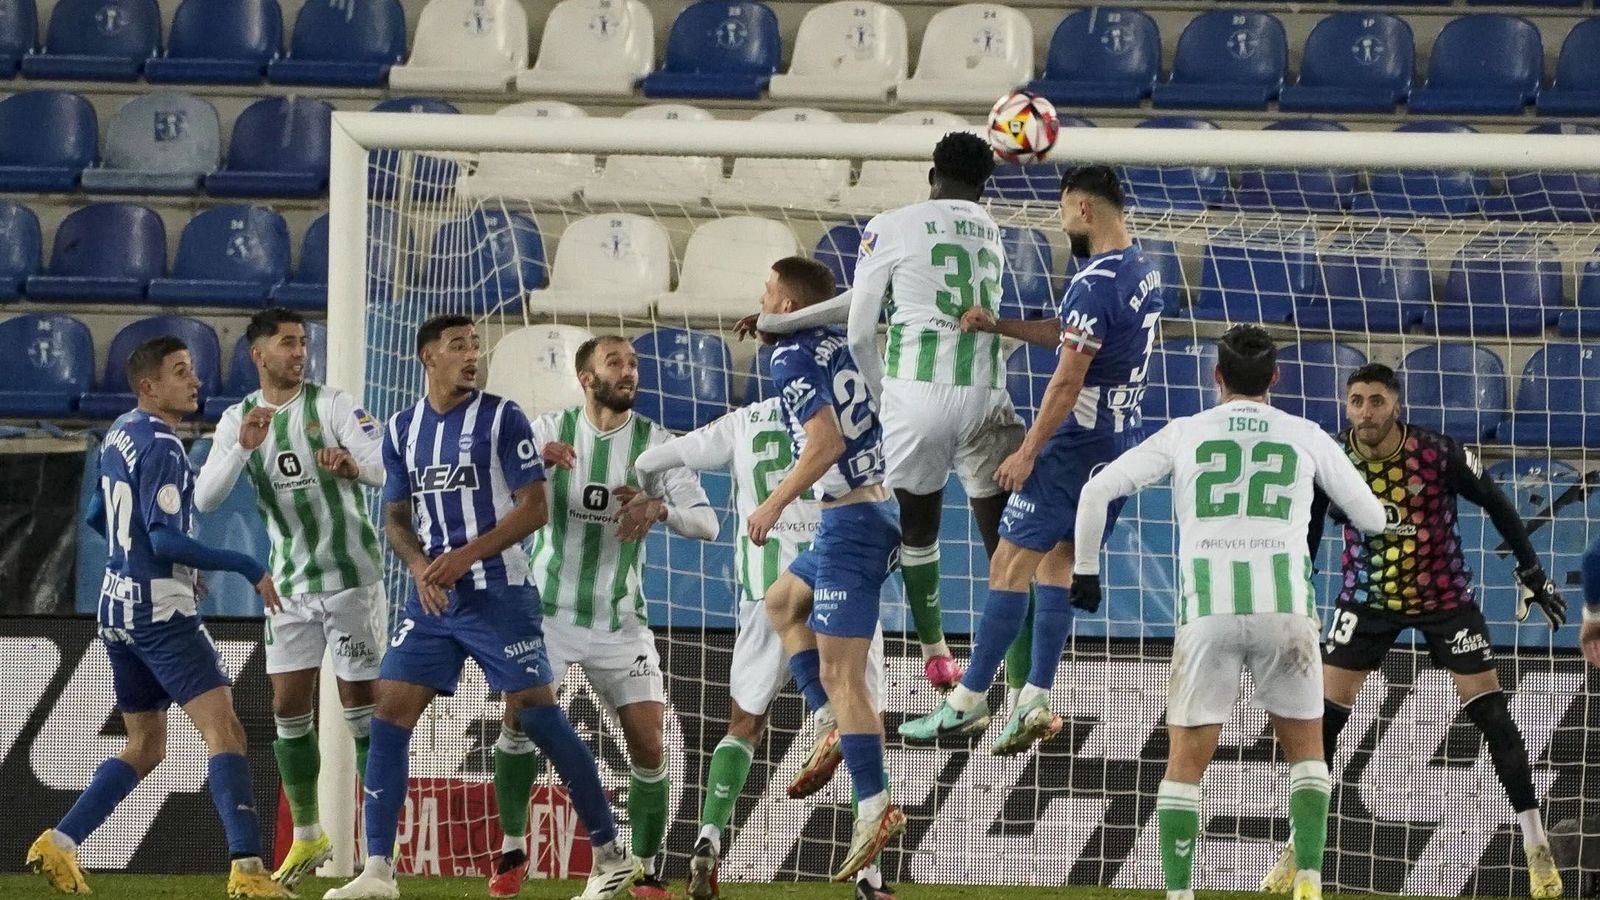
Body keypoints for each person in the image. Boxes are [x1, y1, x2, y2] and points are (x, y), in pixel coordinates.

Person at [323, 316, 639, 900]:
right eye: (458, 346)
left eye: (476, 346)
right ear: (427, 358)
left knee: (540, 719)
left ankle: (610, 853)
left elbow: (534, 509)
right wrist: (421, 568)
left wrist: (463, 556)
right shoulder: (402, 429)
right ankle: (377, 871)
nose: (472, 355)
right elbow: (394, 519)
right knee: (386, 718)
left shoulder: (503, 417)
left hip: (500, 595)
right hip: (435, 599)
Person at [1071, 324, 1387, 900]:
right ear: (1275, 377)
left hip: (1208, 612)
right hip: (1285, 609)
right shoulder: (1307, 434)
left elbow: (1096, 492)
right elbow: (1370, 519)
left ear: (1216, 377)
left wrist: (1086, 571)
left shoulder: (1186, 432)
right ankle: (1311, 880)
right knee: (1308, 756)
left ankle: (1179, 894)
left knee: (1186, 762)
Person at [1261, 362, 1567, 899]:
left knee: (1492, 715)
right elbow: (1307, 527)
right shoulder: (1332, 457)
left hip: (1442, 597)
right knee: (1321, 724)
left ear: (1396, 405)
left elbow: (1498, 505)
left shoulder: (1438, 453)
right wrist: (1297, 590)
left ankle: (1536, 847)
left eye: (1375, 401)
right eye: (1356, 401)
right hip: (1366, 600)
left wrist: (1533, 573)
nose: (1365, 412)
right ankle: (1298, 847)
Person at [899, 164, 1165, 756]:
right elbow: (1075, 337)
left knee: (1008, 565)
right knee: (1058, 564)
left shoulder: (1093, 281)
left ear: (1084, 209)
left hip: (1077, 446)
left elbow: (1068, 380)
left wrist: (1026, 452)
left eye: (1064, 209)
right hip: (1122, 442)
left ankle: (965, 703)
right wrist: (1000, 326)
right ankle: (1034, 698)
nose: (1061, 220)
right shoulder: (1144, 268)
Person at [753, 131, 1027, 694]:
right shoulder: (993, 232)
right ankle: (1022, 687)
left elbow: (859, 323)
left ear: (932, 174)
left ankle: (936, 656)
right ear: (984, 185)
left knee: (917, 531)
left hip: (919, 396)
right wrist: (782, 322)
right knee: (1005, 548)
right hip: (986, 393)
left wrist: (882, 394)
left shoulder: (892, 223)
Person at [26, 336, 289, 898]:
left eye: (192, 371)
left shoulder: (120, 430)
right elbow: (166, 535)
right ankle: (248, 870)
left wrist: (136, 557)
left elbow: (99, 513)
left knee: (147, 745)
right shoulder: (166, 447)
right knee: (227, 732)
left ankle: (61, 841)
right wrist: (244, 563)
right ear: (150, 385)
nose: (194, 382)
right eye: (180, 372)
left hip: (116, 607)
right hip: (160, 613)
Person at [627, 396, 892, 900]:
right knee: (859, 720)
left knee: (744, 725)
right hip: (843, 582)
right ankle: (869, 878)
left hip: (766, 590)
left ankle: (708, 838)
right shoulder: (847, 409)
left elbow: (655, 458)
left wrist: (647, 491)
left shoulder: (743, 421)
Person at [488, 335, 717, 899]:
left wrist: (659, 506)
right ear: (586, 377)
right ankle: (514, 846)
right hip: (547, 615)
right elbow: (488, 490)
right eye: (615, 362)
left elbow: (708, 522)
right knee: (519, 722)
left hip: (621, 622)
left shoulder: (654, 447)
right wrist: (532, 466)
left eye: (634, 363)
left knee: (649, 744)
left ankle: (640, 867)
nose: (629, 371)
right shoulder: (544, 431)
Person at [194, 308, 387, 889]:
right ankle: (308, 835)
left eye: (303, 343)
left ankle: (380, 848)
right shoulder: (238, 419)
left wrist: (352, 467)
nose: (299, 353)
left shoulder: (333, 405)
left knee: (361, 712)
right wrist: (241, 449)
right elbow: (205, 499)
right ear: (258, 354)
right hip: (291, 587)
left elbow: (382, 468)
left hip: (351, 579)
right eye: (287, 344)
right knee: (287, 710)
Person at [755, 256, 905, 881]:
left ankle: (876, 808)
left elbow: (825, 444)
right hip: (876, 511)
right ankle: (829, 726)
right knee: (782, 604)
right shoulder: (840, 337)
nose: (760, 299)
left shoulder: (788, 359)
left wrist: (773, 502)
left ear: (786, 306)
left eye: (767, 292)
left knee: (844, 677)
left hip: (850, 526)